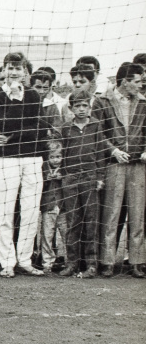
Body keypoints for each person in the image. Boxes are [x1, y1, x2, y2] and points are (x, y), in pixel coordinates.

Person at [0, 52, 46, 278]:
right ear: (3, 71)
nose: (13, 72)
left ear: (25, 72)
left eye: (18, 68)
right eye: (10, 68)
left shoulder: (33, 96)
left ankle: (25, 259)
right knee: (4, 212)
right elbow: (0, 125)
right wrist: (12, 98)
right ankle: (8, 262)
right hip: (5, 161)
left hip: (32, 158)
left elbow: (39, 130)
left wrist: (13, 135)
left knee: (31, 211)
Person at [92, 62, 145, 277]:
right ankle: (106, 261)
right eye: (139, 81)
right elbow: (97, 132)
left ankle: (137, 261)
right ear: (125, 81)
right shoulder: (101, 101)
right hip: (113, 165)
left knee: (137, 213)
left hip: (138, 166)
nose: (142, 85)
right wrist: (113, 151)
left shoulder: (144, 103)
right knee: (111, 213)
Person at [58, 89, 106, 278]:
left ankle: (91, 264)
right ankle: (71, 263)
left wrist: (100, 177)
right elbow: (62, 154)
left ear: (90, 107)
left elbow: (101, 154)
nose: (81, 109)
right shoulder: (65, 128)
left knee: (91, 221)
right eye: (77, 106)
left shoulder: (96, 126)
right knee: (72, 221)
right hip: (70, 179)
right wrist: (62, 175)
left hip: (90, 177)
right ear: (71, 108)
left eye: (85, 105)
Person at [38, 141, 65, 273]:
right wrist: (45, 178)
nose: (55, 160)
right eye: (52, 157)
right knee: (47, 235)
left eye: (58, 157)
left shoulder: (65, 168)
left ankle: (68, 260)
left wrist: (62, 178)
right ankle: (47, 262)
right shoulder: (43, 168)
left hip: (63, 206)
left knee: (66, 233)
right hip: (48, 207)